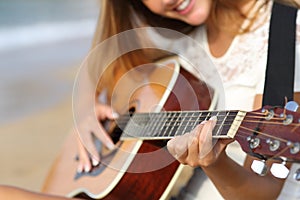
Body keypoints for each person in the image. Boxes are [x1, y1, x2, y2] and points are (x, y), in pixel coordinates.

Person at [1, 0, 300, 199]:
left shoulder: (286, 31)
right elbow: (101, 66)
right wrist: (86, 112)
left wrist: (213, 161)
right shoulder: (183, 42)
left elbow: (264, 192)